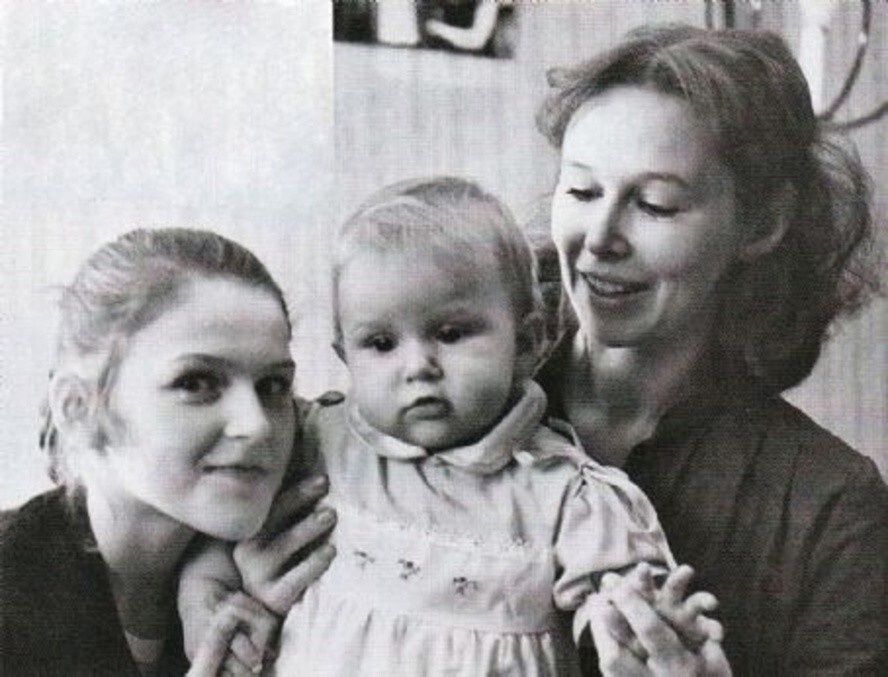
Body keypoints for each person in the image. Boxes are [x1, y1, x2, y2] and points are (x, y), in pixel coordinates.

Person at [179, 177, 722, 676]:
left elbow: (626, 602)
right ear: (346, 357)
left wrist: (641, 625)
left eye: (451, 333)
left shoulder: (563, 493)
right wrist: (203, 591)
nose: (418, 366)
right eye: (381, 344)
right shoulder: (317, 440)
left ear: (528, 342)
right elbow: (222, 519)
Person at [533, 24, 888, 675]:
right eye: (581, 191)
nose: (600, 237)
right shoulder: (447, 405)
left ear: (762, 224)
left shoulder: (830, 506)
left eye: (655, 205)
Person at [0, 228, 335, 676]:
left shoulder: (296, 565)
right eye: (196, 382)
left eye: (273, 385)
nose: (257, 424)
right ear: (77, 407)